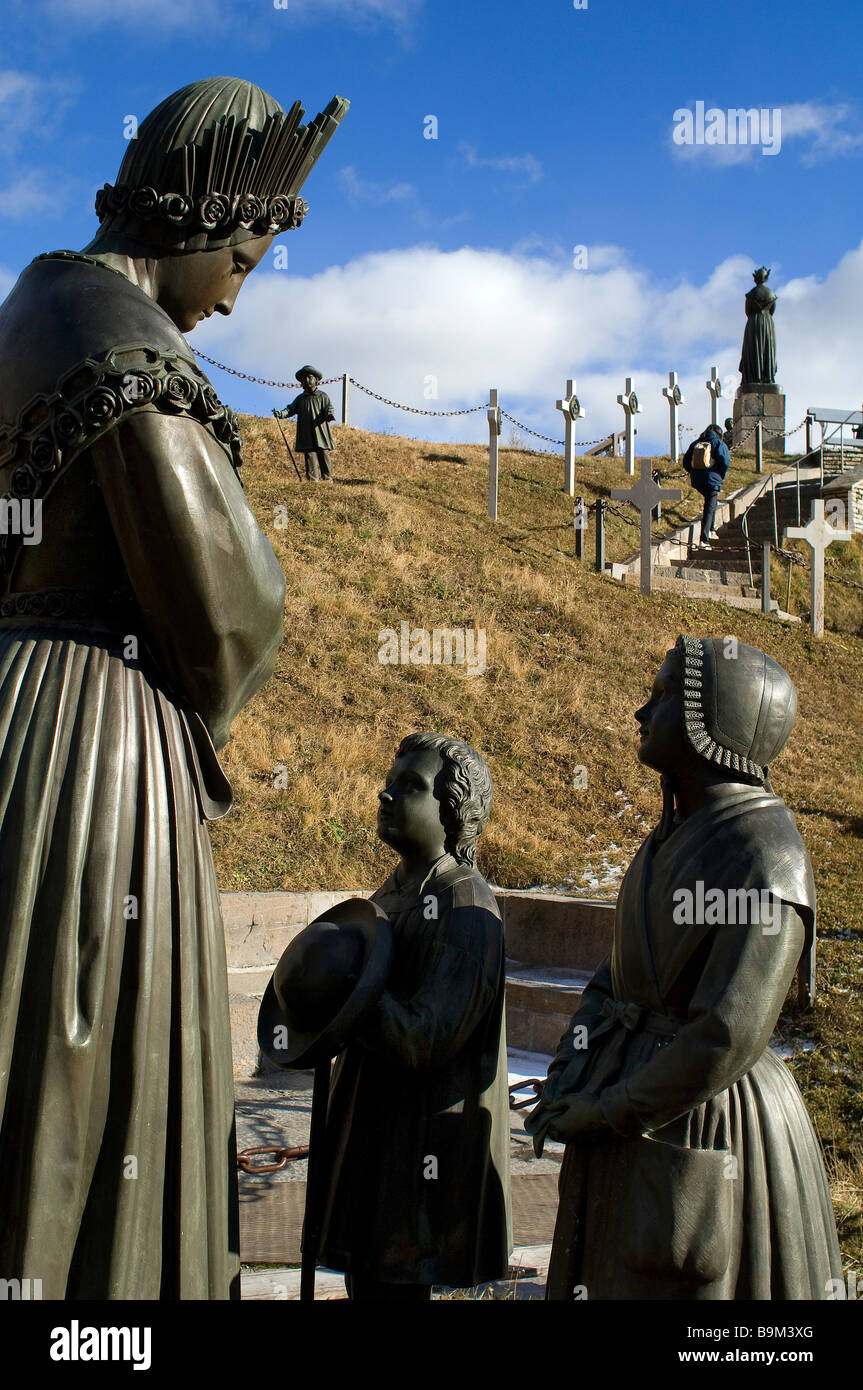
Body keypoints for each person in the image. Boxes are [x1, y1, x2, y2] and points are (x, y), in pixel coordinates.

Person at [0, 76, 347, 1299]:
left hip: (19, 715)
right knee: (91, 1065)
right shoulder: (123, 342)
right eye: (244, 258)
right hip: (97, 747)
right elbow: (222, 622)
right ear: (200, 215)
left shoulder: (27, 307)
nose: (236, 294)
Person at [526, 636, 843, 1301]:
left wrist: (608, 1109)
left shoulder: (764, 855)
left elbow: (724, 1035)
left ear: (716, 718)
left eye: (665, 693)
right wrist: (566, 1074)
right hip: (630, 1106)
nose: (643, 712)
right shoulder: (665, 839)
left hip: (704, 1115)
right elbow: (614, 978)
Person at [316, 732, 512, 1300]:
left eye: (411, 787)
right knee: (368, 1285)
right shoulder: (395, 892)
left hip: (422, 1150)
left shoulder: (466, 906)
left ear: (452, 813)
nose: (386, 794)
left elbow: (426, 1038)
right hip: (376, 1134)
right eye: (390, 781)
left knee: (395, 1289)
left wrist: (345, 991)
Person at [274, 366, 336, 480]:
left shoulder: (322, 396)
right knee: (309, 453)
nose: (306, 380)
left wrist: (329, 414)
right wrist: (281, 414)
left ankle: (327, 477)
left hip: (319, 429)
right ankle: (313, 478)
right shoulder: (300, 399)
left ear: (316, 380)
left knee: (323, 452)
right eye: (303, 378)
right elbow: (290, 409)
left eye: (309, 377)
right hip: (306, 430)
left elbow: (329, 408)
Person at [683, 423, 730, 547]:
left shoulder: (696, 443)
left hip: (697, 480)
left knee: (711, 501)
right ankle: (704, 539)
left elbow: (686, 461)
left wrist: (694, 472)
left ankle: (711, 530)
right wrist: (720, 474)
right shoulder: (718, 443)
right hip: (712, 479)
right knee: (709, 506)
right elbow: (725, 462)